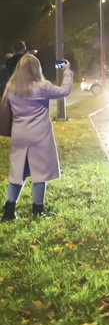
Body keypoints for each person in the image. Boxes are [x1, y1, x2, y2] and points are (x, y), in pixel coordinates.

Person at [1, 55, 73, 221]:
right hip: (39, 135)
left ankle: (9, 210)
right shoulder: (43, 87)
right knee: (39, 173)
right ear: (37, 69)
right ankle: (38, 210)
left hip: (19, 135)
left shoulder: (11, 88)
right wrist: (67, 72)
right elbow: (65, 91)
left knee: (17, 172)